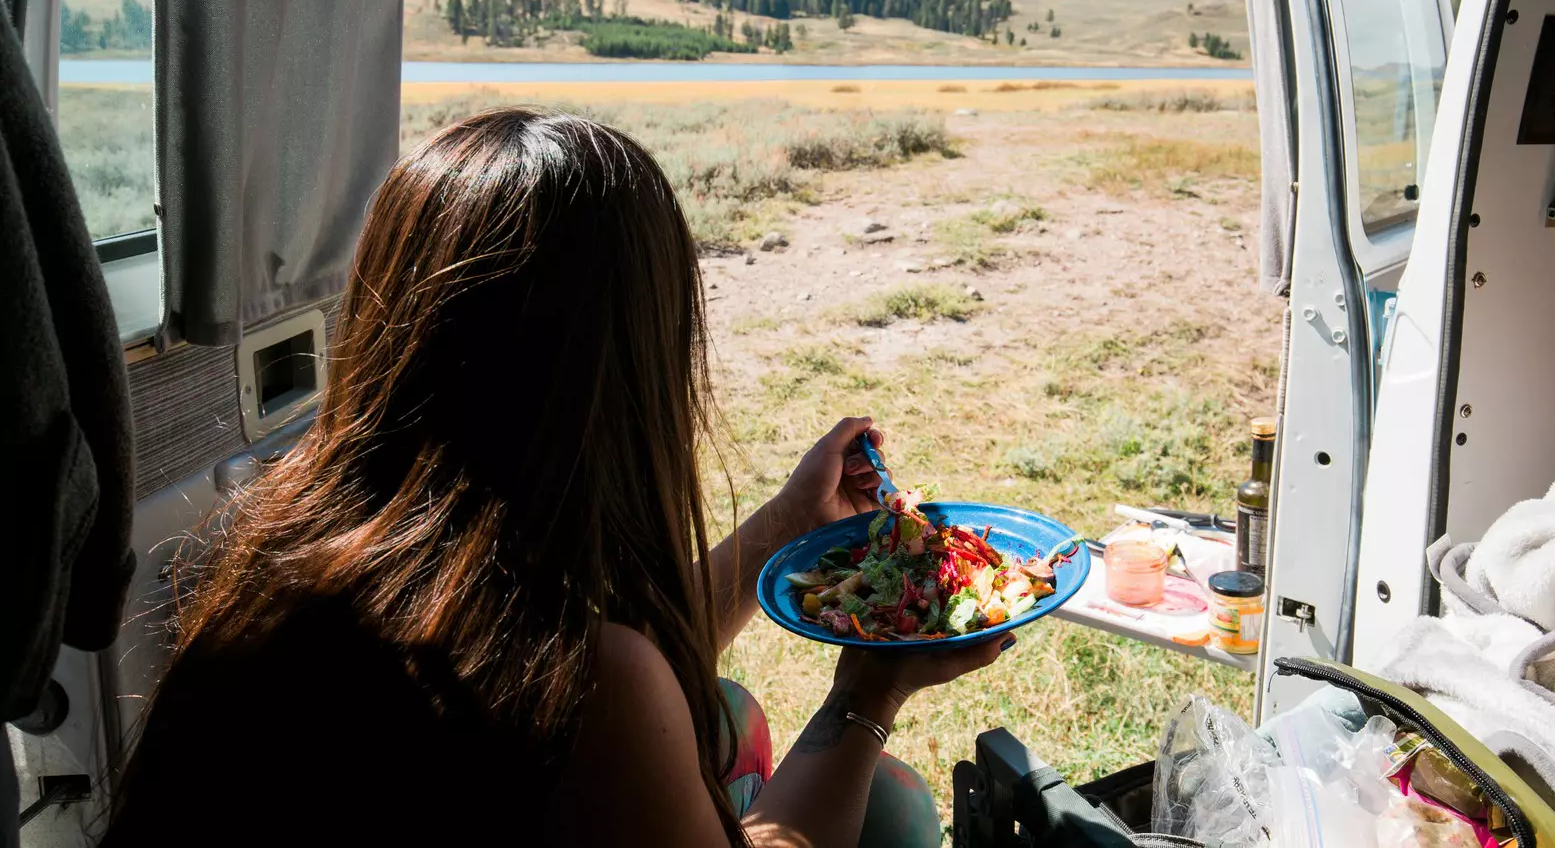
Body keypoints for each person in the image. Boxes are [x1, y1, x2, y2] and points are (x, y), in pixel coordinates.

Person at [101, 109, 1004, 848]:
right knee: (888, 809)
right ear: (617, 373)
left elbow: (599, 665)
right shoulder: (595, 684)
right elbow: (606, 682)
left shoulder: (293, 547)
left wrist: (781, 524)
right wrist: (867, 693)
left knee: (728, 710)